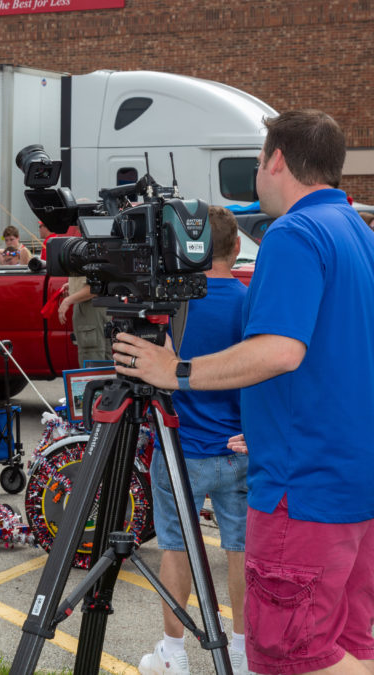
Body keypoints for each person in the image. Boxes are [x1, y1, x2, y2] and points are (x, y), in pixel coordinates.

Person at [113, 110, 374, 675]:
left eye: (257, 161)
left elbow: (282, 350)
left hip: (300, 493)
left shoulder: (294, 233)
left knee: (293, 655)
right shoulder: (358, 232)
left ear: (276, 160)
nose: (257, 171)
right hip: (349, 485)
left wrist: (173, 371)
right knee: (348, 644)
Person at [138, 206, 249, 675]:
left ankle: (173, 653)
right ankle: (243, 653)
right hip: (238, 451)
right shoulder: (250, 301)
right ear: (237, 248)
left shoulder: (175, 305)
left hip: (180, 448)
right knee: (241, 552)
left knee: (176, 548)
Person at [58, 275, 110, 365]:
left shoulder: (90, 261)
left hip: (89, 308)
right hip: (97, 305)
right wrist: (74, 286)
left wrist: (68, 301)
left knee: (92, 359)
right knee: (104, 360)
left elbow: (96, 287)